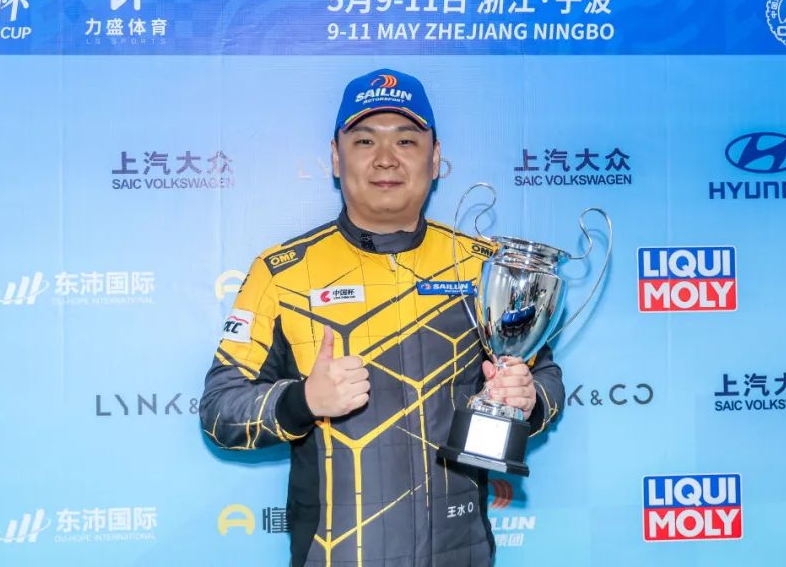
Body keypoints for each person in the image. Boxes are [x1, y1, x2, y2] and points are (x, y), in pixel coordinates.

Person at [200, 68, 565, 567]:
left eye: (407, 140)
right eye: (365, 140)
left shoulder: (482, 266)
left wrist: (527, 398)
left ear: (435, 158)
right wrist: (303, 400)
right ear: (336, 157)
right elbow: (220, 410)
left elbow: (544, 377)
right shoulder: (282, 272)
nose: (386, 158)